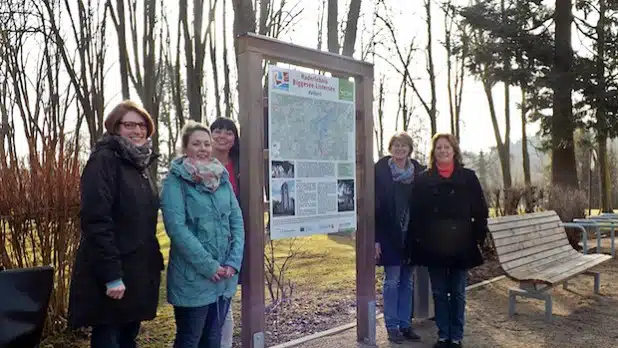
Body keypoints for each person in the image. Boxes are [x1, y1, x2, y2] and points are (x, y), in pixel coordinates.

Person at [68, 100, 164, 348]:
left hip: (137, 271)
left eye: (142, 125)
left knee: (127, 338)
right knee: (109, 338)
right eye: (129, 124)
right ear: (115, 127)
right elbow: (96, 220)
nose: (137, 131)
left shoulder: (140, 164)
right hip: (112, 272)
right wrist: (112, 276)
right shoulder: (104, 161)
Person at [161, 121, 245, 348]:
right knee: (190, 339)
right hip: (193, 278)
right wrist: (209, 266)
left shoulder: (222, 179)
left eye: (206, 143)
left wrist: (233, 262)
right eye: (196, 143)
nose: (203, 148)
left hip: (224, 278)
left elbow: (237, 222)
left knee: (213, 339)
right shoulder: (175, 181)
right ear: (185, 148)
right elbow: (177, 229)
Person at [407, 133, 488, 348]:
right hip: (434, 246)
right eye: (439, 147)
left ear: (454, 150)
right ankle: (443, 335)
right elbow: (415, 214)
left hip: (461, 245)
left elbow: (481, 210)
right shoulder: (423, 179)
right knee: (440, 293)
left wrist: (478, 237)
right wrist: (418, 242)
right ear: (434, 152)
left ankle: (457, 336)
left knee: (459, 293)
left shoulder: (468, 177)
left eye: (447, 147)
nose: (443, 151)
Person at [375, 132, 424, 344]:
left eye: (404, 145)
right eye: (395, 145)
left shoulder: (419, 172)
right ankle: (392, 326)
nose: (399, 149)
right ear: (390, 148)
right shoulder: (380, 171)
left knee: (408, 283)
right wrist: (375, 239)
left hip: (412, 236)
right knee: (392, 281)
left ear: (409, 149)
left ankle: (405, 325)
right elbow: (374, 207)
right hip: (389, 236)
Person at [210, 117, 241, 348]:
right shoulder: (200, 164)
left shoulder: (241, 164)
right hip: (209, 240)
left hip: (234, 238)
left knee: (227, 298)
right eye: (217, 130)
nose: (222, 136)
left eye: (228, 132)